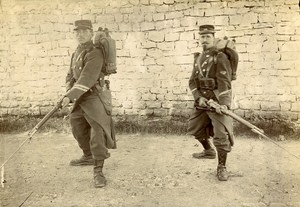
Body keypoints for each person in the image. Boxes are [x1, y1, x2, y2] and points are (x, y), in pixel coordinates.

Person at [61, 20, 116, 188]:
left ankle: (98, 171)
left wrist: (70, 96)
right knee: (77, 126)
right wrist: (68, 91)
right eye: (77, 31)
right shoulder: (77, 52)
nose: (80, 34)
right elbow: (71, 75)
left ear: (91, 33)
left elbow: (88, 77)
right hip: (80, 97)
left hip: (94, 97)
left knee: (97, 132)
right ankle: (87, 155)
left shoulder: (95, 52)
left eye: (84, 31)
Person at [187, 25, 234, 181]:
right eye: (202, 37)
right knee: (194, 128)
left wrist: (224, 104)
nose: (205, 39)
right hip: (202, 101)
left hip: (217, 101)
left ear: (213, 37)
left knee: (221, 135)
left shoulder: (220, 57)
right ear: (199, 38)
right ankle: (208, 151)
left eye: (208, 36)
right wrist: (198, 97)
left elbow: (224, 83)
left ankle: (222, 166)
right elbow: (192, 82)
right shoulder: (198, 58)